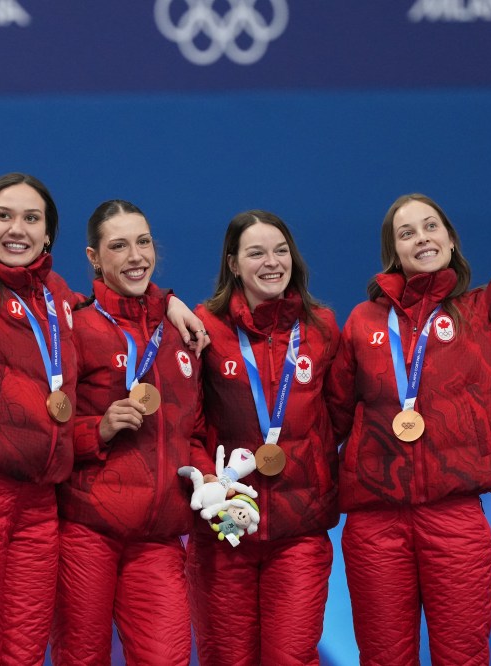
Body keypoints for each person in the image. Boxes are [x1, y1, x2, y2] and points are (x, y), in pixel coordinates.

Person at [0, 64, 206, 665]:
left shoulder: (57, 300)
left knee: (26, 657)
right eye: (4, 216)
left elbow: (123, 298)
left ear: (49, 235)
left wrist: (169, 302)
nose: (18, 228)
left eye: (32, 218)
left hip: (38, 509)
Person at [325, 88, 491, 665]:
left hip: (455, 517)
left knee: (463, 657)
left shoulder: (485, 313)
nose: (421, 237)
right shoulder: (362, 322)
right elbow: (329, 421)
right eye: (407, 233)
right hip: (374, 524)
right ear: (393, 253)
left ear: (449, 239)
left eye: (431, 227)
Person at [50, 200, 212, 666]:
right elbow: (48, 430)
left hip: (158, 539)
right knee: (81, 658)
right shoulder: (76, 327)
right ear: (94, 257)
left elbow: (194, 432)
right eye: (119, 246)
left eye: (143, 242)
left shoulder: (182, 332)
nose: (136, 256)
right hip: (87, 532)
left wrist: (208, 478)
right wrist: (97, 430)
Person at [187, 210, 340, 665]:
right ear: (233, 264)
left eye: (280, 251)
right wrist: (210, 482)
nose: (272, 262)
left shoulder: (321, 328)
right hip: (224, 532)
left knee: (291, 657)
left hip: (299, 533)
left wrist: (316, 468)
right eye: (256, 253)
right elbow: (188, 424)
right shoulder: (204, 328)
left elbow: (341, 415)